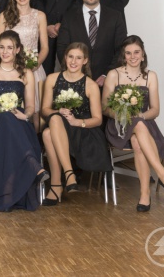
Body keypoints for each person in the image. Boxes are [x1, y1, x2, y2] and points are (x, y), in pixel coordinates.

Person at [102, 36, 164, 211]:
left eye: (136, 52)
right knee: (136, 125)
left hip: (144, 125)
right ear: (123, 55)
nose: (132, 56)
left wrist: (140, 116)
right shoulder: (113, 74)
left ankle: (144, 195)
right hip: (118, 126)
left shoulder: (151, 76)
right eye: (128, 53)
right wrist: (123, 114)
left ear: (143, 54)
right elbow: (105, 108)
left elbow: (155, 110)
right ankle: (161, 173)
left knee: (138, 141)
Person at [0, 31, 47, 212]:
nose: (5, 52)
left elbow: (30, 106)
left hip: (18, 121)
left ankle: (20, 181)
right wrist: (0, 114)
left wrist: (26, 115)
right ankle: (34, 166)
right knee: (6, 118)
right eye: (2, 47)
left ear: (17, 50)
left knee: (15, 122)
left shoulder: (26, 73)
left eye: (10, 48)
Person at [40, 42, 109, 206]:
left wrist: (77, 122)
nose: (73, 61)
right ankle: (68, 173)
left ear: (85, 61)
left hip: (82, 130)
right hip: (59, 126)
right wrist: (58, 112)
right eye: (71, 56)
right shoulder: (52, 79)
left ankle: (56, 185)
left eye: (78, 58)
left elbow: (98, 119)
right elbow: (44, 110)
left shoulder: (90, 84)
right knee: (51, 125)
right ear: (65, 57)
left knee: (47, 133)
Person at [0, 0, 49, 130]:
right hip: (9, 71)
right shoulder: (4, 16)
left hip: (34, 70)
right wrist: (8, 63)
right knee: (12, 109)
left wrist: (35, 65)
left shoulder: (40, 16)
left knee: (36, 113)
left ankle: (37, 149)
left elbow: (44, 47)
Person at [57, 0, 127, 86]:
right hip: (76, 81)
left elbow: (122, 49)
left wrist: (107, 75)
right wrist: (76, 73)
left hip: (108, 82)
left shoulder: (115, 17)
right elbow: (62, 48)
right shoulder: (68, 17)